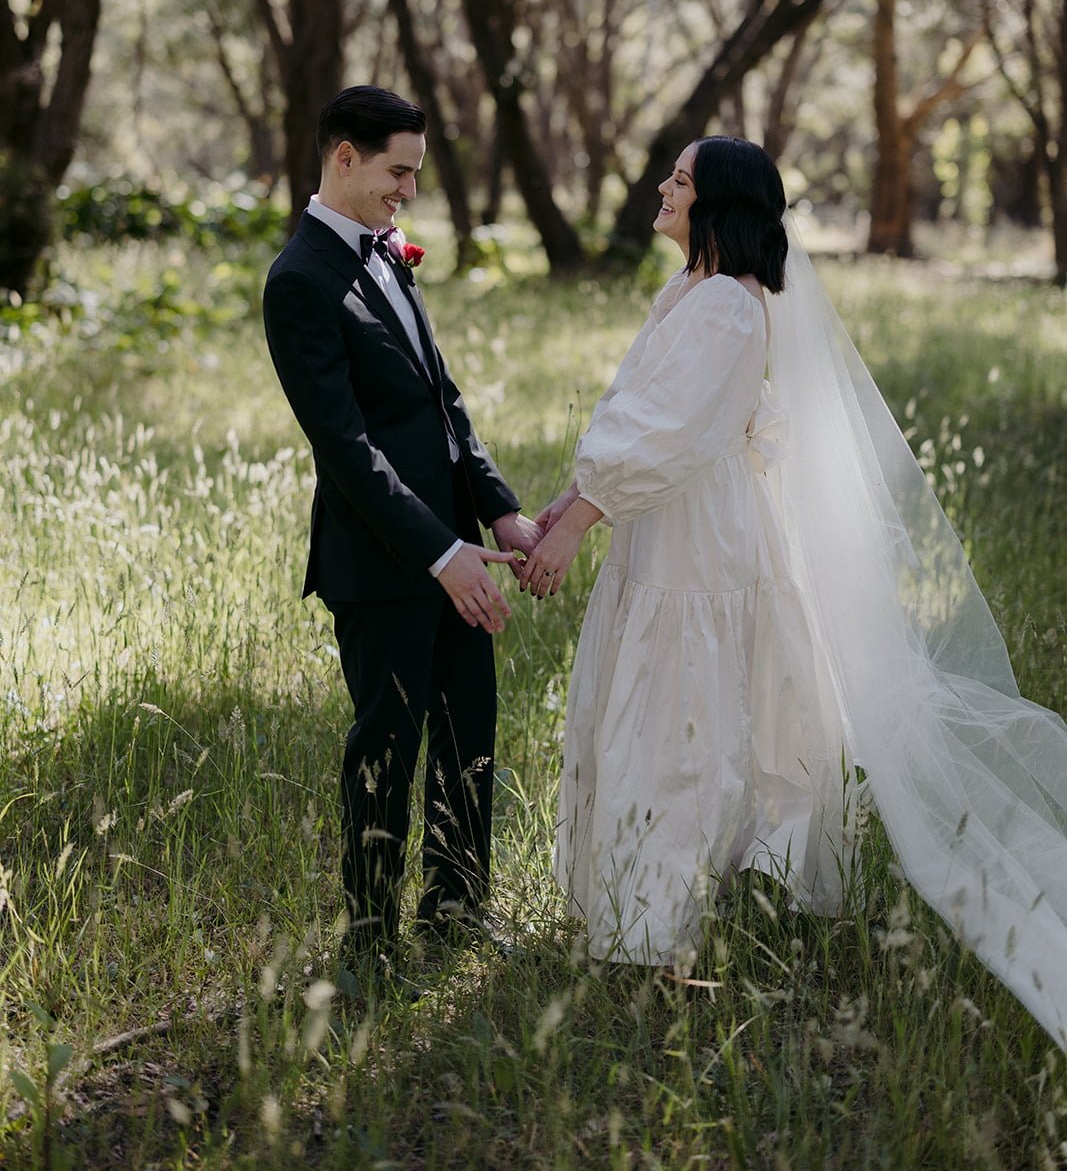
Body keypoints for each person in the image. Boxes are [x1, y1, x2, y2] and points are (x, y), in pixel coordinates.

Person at [522, 136, 1067, 1050]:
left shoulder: (727, 307)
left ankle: (654, 928)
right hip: (671, 522)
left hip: (698, 538)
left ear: (717, 204)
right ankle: (644, 910)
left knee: (683, 713)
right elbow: (638, 412)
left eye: (681, 180)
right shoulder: (692, 291)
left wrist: (579, 521)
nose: (663, 187)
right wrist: (573, 497)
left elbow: (667, 434)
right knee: (673, 702)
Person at [263, 85, 540, 984]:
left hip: (456, 541)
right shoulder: (298, 280)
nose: (408, 192)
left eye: (415, 174)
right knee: (386, 747)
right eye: (397, 171)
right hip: (381, 561)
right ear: (343, 157)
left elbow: (441, 399)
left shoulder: (388, 252)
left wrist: (497, 509)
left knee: (470, 733)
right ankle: (371, 944)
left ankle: (457, 911)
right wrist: (440, 554)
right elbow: (344, 447)